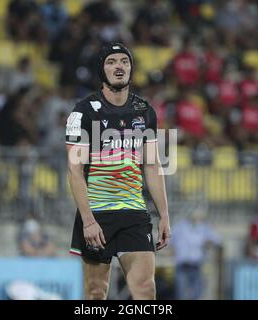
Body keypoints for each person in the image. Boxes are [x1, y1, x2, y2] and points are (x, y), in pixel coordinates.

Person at [66, 43, 170, 300]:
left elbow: (153, 166)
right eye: (111, 61)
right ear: (102, 70)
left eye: (124, 61)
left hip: (134, 212)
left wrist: (165, 215)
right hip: (97, 215)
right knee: (96, 293)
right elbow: (75, 171)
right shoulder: (83, 111)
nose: (119, 66)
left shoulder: (145, 111)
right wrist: (88, 220)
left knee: (146, 291)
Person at [170, 208, 222, 300]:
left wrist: (208, 241)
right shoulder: (180, 227)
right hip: (182, 265)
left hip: (196, 265)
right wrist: (173, 249)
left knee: (197, 294)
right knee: (181, 294)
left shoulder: (203, 227)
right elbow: (169, 239)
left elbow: (217, 239)